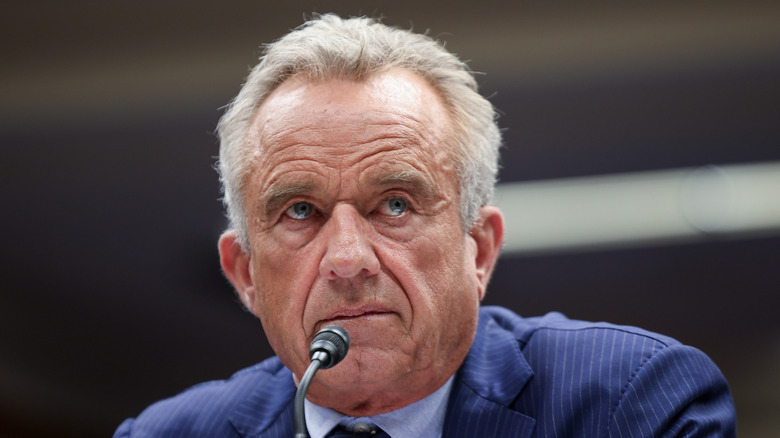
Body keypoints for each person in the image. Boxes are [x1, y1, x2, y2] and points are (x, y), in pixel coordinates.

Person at [114, 14, 736, 437]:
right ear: (245, 274)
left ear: (480, 250)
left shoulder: (631, 404)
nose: (349, 259)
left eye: (395, 205)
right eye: (300, 212)